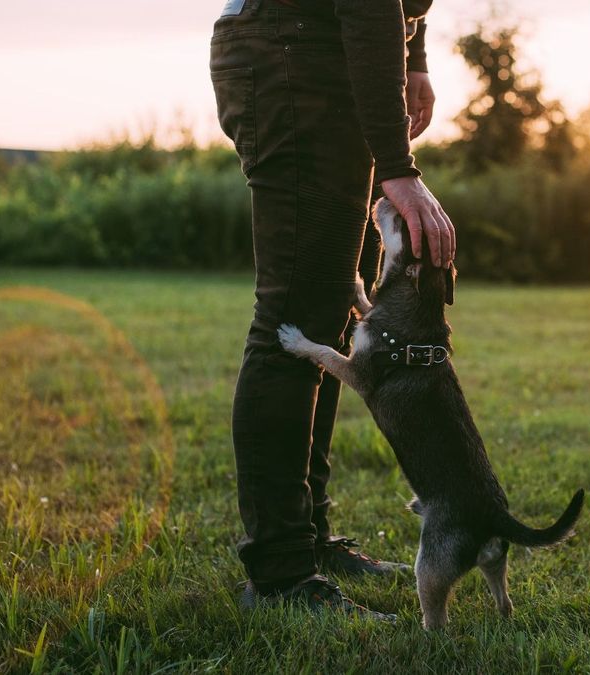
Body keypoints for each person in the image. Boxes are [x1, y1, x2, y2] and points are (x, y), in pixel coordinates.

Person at [210, 0, 455, 621]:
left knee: (330, 316)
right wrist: (399, 168)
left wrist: (415, 56)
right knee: (292, 319)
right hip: (293, 58)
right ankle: (280, 571)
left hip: (320, 54)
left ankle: (309, 538)